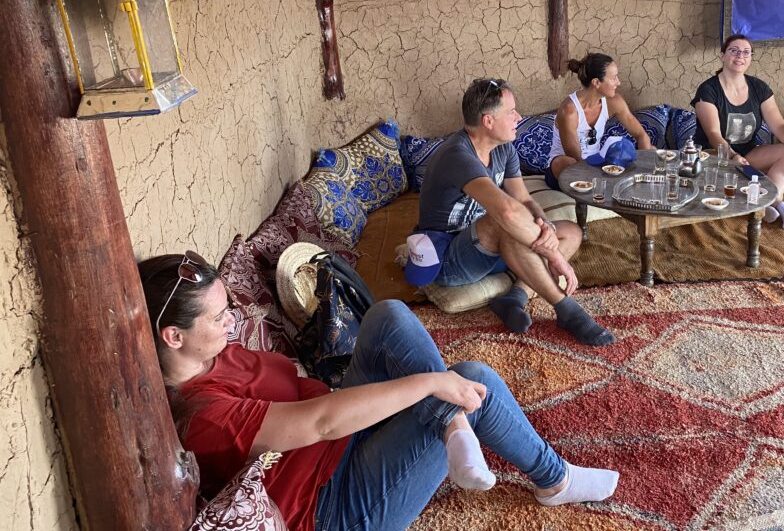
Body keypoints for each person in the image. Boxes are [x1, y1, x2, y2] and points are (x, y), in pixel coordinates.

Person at [139, 253, 619, 531]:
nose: (233, 319)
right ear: (173, 337)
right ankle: (553, 480)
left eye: (228, 307)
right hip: (330, 505)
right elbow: (320, 423)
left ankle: (452, 425)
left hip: (340, 444)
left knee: (388, 316)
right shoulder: (204, 416)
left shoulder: (214, 353)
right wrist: (431, 382)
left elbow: (312, 400)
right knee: (475, 381)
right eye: (219, 316)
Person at [416, 78, 614, 346]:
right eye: (511, 112)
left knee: (570, 232)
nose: (519, 117)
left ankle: (515, 297)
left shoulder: (504, 149)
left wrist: (545, 225)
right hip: (451, 258)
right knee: (503, 221)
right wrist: (554, 256)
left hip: (492, 247)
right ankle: (567, 310)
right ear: (488, 121)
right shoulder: (458, 155)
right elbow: (507, 211)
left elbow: (523, 199)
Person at [691, 34, 784, 230]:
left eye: (746, 52)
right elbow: (713, 134)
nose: (740, 56)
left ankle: (766, 202)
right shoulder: (708, 90)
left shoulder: (759, 88)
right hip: (715, 157)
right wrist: (732, 155)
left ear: (751, 57)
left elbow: (779, 125)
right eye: (734, 51)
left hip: (747, 156)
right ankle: (776, 204)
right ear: (722, 55)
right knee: (724, 174)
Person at [545, 52, 652, 189]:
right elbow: (576, 159)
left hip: (595, 164)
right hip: (566, 170)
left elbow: (641, 135)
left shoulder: (614, 102)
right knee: (568, 162)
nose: (618, 83)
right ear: (596, 82)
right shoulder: (569, 110)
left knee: (643, 151)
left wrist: (643, 171)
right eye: (613, 78)